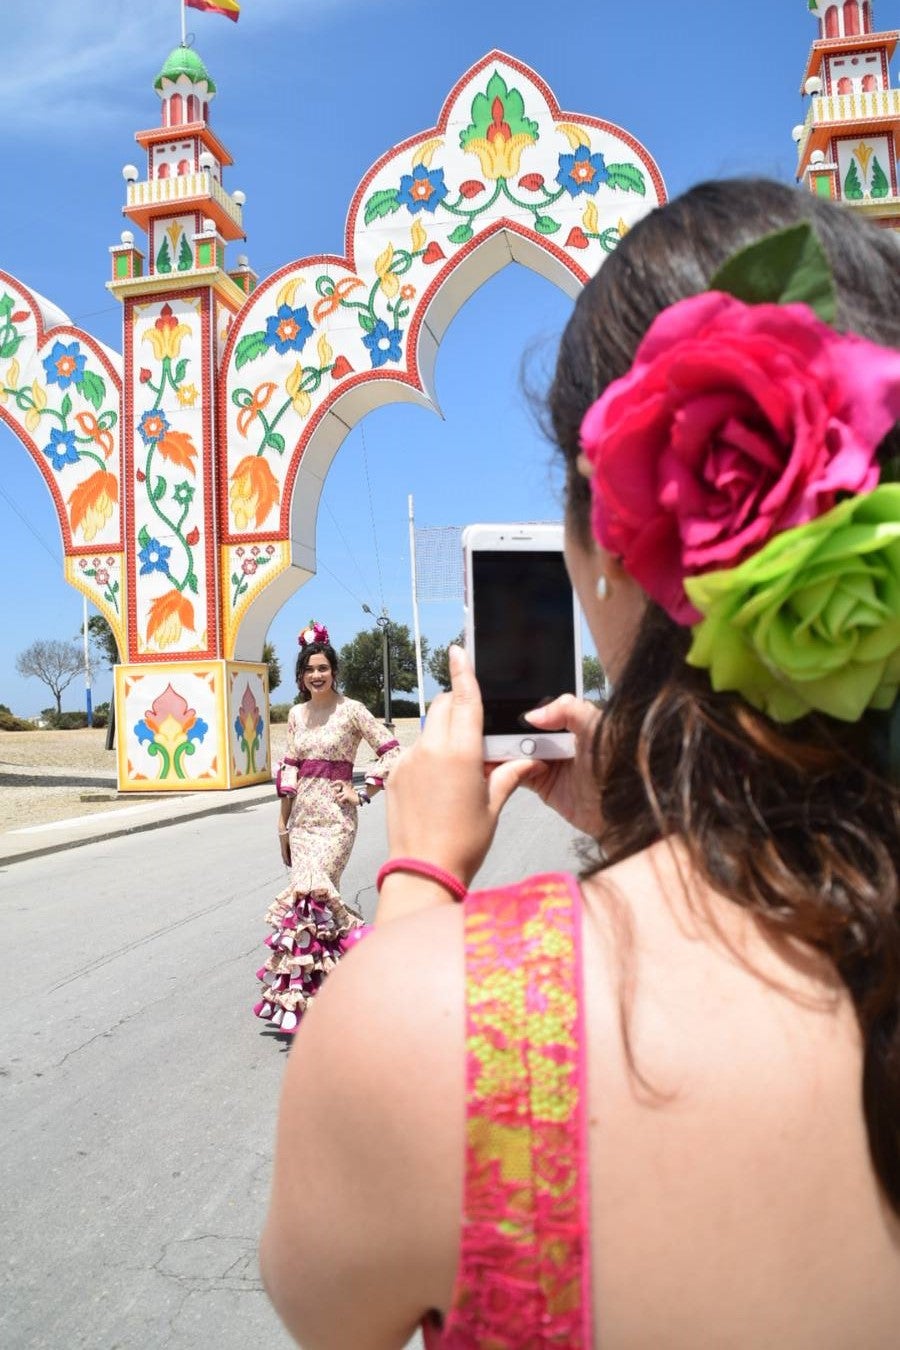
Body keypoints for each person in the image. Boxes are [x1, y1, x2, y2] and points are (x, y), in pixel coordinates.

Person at [260, 180, 900, 1347]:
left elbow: (322, 1303)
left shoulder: (442, 1020)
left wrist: (417, 881)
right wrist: (656, 811)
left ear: (606, 546)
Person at [253, 621, 400, 1034]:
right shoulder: (297, 714)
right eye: (309, 669)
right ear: (301, 676)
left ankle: (370, 956)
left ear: (334, 670)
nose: (316, 675)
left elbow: (392, 751)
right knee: (306, 908)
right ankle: (310, 1000)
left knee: (317, 893)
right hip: (302, 822)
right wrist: (282, 826)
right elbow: (288, 770)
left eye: (323, 667)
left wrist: (364, 791)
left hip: (336, 821)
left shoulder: (351, 710)